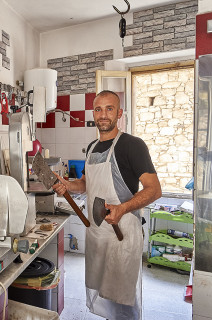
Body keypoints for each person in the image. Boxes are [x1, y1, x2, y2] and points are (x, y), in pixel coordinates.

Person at [53, 90, 161, 320]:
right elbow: (85, 183)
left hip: (121, 234)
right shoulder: (92, 147)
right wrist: (68, 185)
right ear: (93, 112)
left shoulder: (133, 145)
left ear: (119, 113)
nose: (103, 115)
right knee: (105, 294)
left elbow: (154, 190)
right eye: (99, 109)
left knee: (123, 298)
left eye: (109, 109)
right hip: (97, 233)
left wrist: (122, 208)